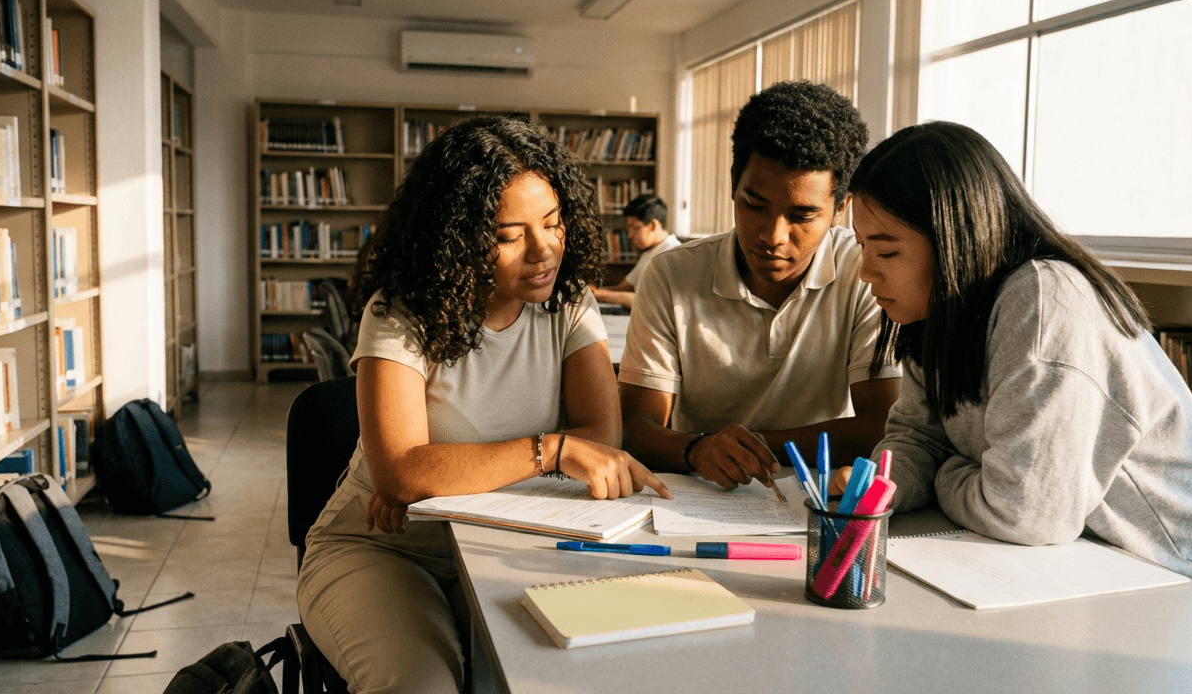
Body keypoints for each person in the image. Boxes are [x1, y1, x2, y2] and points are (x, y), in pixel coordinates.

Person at [840, 120, 1192, 610]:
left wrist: (949, 473)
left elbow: (1025, 513)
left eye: (886, 249)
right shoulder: (938, 314)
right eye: (862, 246)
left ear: (953, 237)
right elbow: (918, 438)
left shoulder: (1044, 299)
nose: (866, 271)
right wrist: (880, 487)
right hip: (1089, 572)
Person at [296, 115, 672, 694]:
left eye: (552, 223)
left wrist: (440, 479)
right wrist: (549, 450)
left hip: (511, 544)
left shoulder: (569, 306)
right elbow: (400, 472)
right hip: (388, 548)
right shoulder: (399, 313)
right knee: (422, 686)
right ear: (458, 236)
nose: (544, 250)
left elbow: (602, 438)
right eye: (508, 235)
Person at [619, 80, 900, 492]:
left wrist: (752, 446)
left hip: (815, 501)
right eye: (754, 205)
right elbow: (635, 428)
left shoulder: (864, 271)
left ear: (841, 207)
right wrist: (697, 450)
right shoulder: (672, 275)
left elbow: (881, 427)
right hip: (698, 495)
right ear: (734, 182)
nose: (773, 236)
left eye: (802, 215)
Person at [591, 194, 681, 309]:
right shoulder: (651, 251)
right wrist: (590, 290)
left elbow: (643, 301)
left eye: (634, 227)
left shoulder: (672, 254)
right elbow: (623, 288)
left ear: (653, 225)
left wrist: (593, 293)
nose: (630, 235)